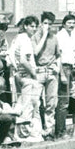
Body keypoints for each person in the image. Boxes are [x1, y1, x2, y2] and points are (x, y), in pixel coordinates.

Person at [12, 15, 43, 142]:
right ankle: (25, 134)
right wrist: (34, 75)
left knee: (20, 104)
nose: (34, 29)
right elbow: (24, 60)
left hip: (20, 75)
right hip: (26, 77)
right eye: (31, 26)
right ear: (25, 26)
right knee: (28, 105)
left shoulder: (20, 38)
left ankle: (18, 133)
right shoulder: (24, 39)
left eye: (36, 26)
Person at [32, 11, 60, 139]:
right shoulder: (35, 37)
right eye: (45, 23)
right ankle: (37, 129)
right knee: (36, 101)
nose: (47, 26)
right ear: (41, 23)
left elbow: (58, 55)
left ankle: (49, 130)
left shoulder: (54, 38)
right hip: (39, 70)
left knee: (51, 102)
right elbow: (35, 52)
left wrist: (57, 67)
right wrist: (43, 36)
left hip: (51, 71)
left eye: (50, 24)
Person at [55, 13, 75, 138]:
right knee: (63, 101)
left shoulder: (72, 36)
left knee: (69, 99)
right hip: (63, 68)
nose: (71, 25)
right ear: (64, 24)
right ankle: (60, 131)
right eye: (69, 22)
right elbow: (58, 56)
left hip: (71, 67)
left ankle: (64, 130)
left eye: (73, 22)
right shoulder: (60, 36)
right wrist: (62, 74)